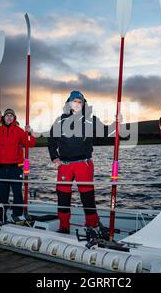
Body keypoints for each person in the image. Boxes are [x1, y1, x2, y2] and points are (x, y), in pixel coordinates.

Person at [48, 91, 118, 234]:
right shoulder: (60, 120)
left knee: (87, 195)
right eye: (75, 101)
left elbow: (105, 133)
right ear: (69, 103)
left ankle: (92, 224)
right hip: (65, 165)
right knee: (63, 195)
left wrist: (116, 123)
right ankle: (64, 226)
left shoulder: (90, 120)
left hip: (83, 163)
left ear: (83, 104)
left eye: (80, 102)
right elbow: (51, 140)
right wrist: (55, 157)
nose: (78, 104)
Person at [0, 108, 36, 223]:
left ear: (14, 118)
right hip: (2, 168)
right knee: (2, 193)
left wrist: (29, 132)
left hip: (16, 167)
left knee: (17, 192)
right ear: (4, 118)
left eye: (11, 115)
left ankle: (17, 215)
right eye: (7, 115)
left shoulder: (19, 131)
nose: (9, 117)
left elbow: (30, 143)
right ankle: (1, 214)